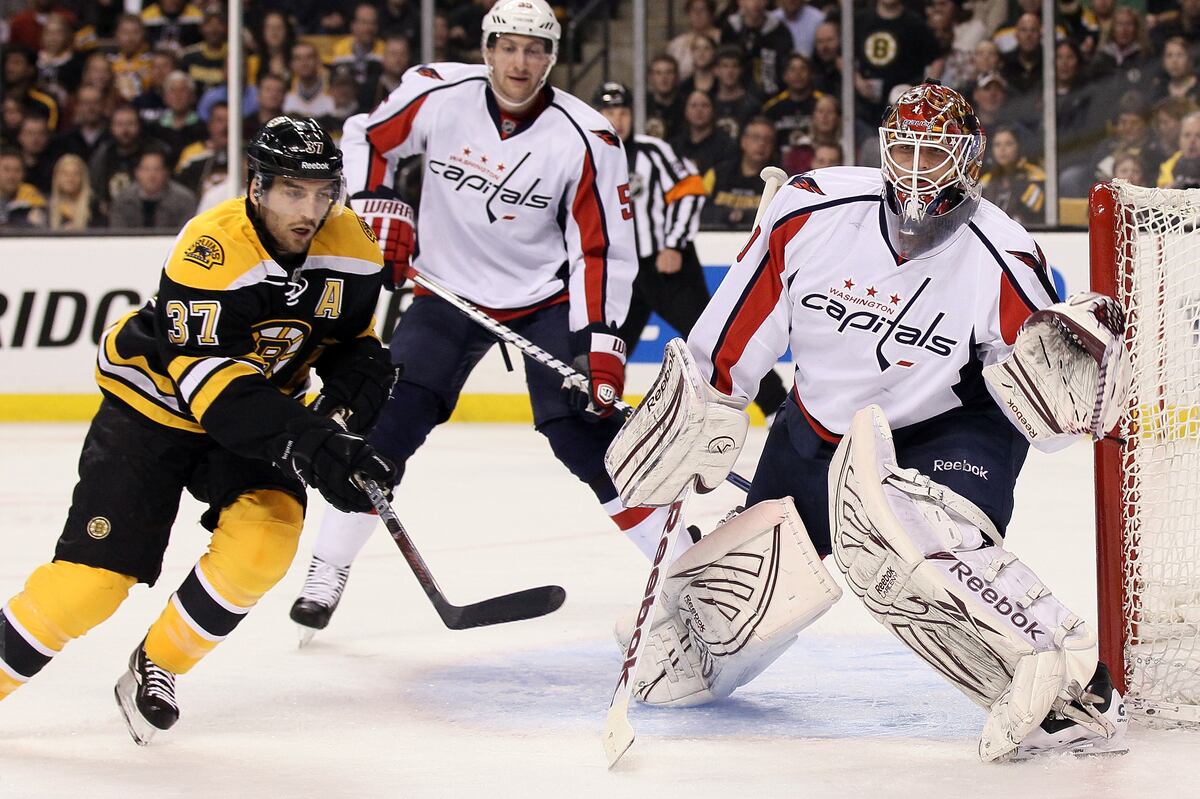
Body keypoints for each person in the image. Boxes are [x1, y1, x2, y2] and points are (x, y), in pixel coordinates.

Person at [606, 80, 1131, 762]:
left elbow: (1044, 406)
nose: (917, 170)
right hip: (818, 427)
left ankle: (1070, 675)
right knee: (721, 611)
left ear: (968, 161)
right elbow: (732, 338)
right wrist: (699, 410)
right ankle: (701, 616)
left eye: (935, 155)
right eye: (905, 149)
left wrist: (1076, 393)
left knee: (905, 535)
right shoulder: (810, 211)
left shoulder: (1002, 254)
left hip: (945, 430)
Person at [0, 117, 396, 745]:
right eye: (294, 191)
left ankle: (156, 665)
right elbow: (220, 395)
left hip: (265, 413)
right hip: (154, 412)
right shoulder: (209, 249)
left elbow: (351, 345)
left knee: (265, 542)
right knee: (91, 584)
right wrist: (312, 445)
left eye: (324, 193)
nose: (311, 209)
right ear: (257, 186)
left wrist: (340, 423)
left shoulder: (351, 245)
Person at [287, 0, 656, 638]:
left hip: (541, 298)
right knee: (389, 423)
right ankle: (326, 568)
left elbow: (599, 250)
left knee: (581, 433)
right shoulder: (436, 92)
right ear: (485, 50)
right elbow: (365, 137)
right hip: (446, 292)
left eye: (535, 49)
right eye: (507, 46)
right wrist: (377, 207)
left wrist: (603, 345)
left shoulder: (588, 136)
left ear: (553, 57)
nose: (520, 62)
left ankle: (678, 567)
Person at [594, 83, 788, 418]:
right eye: (610, 112)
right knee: (612, 344)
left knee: (714, 342)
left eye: (624, 112)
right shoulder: (591, 158)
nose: (618, 119)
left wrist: (673, 243)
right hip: (623, 271)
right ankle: (600, 413)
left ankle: (775, 407)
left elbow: (692, 190)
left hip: (668, 267)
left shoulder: (653, 152)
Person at [109, 148, 197, 229]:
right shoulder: (123, 200)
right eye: (146, 169)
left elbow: (187, 234)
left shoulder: (184, 200)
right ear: (137, 172)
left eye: (157, 169)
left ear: (166, 172)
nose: (151, 175)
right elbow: (117, 234)